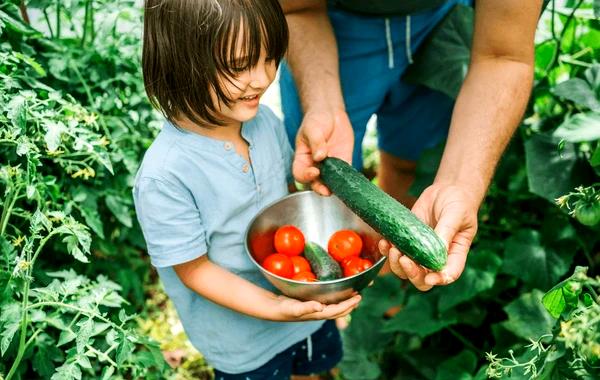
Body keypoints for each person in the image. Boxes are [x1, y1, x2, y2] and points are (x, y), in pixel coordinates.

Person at [134, 1, 360, 378]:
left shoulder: (265, 122)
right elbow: (195, 271)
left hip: (305, 304)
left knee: (316, 368)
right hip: (243, 342)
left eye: (270, 57)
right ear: (181, 63)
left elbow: (289, 202)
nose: (262, 78)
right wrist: (275, 307)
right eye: (240, 66)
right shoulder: (165, 175)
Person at [279, 0, 542, 291]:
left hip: (439, 19)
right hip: (332, 22)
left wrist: (459, 184)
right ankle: (330, 296)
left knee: (409, 167)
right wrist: (323, 105)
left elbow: (503, 56)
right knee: (319, 176)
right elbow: (297, 8)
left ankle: (382, 291)